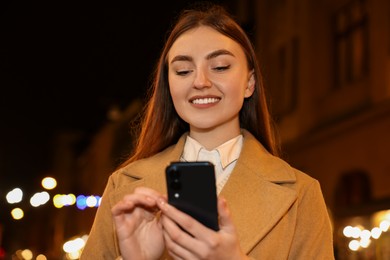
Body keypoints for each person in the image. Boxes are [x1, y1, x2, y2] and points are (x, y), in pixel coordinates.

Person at [80, 2, 334, 259]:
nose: (200, 81)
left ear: (249, 83)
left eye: (220, 67)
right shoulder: (123, 187)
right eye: (183, 71)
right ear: (169, 86)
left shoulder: (302, 194)